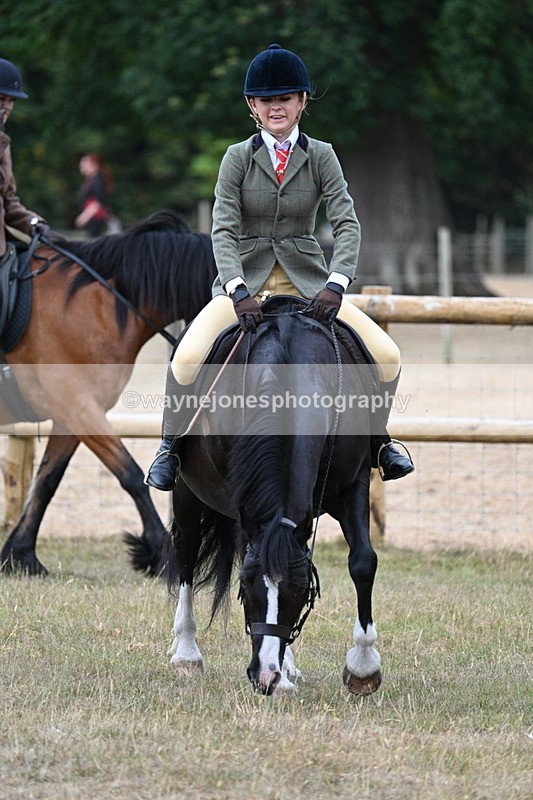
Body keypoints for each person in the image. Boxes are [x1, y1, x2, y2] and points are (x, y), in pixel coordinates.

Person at [145, 43, 414, 490]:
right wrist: (235, 289)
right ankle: (170, 447)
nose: (276, 107)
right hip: (244, 282)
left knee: (388, 355)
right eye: (267, 99)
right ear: (252, 105)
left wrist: (336, 282)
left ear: (302, 102)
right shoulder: (236, 157)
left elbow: (347, 222)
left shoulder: (322, 155)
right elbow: (223, 230)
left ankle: (377, 442)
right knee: (187, 358)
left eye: (285, 98)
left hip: (308, 282)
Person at [0, 57, 50, 258]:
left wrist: (32, 222)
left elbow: (8, 200)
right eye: (1, 98)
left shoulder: (3, 142)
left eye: (12, 100)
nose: (8, 106)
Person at [74, 152, 113, 237]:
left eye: (84, 164)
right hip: (94, 218)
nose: (82, 167)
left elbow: (97, 201)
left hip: (97, 218)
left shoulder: (97, 181)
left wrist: (85, 216)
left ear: (93, 164)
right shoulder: (92, 180)